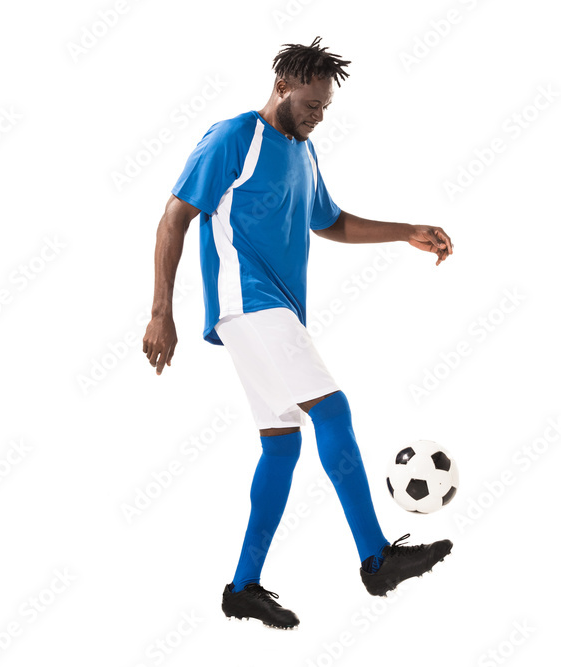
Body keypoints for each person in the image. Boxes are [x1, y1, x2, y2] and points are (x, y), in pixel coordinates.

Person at [142, 36, 455, 630]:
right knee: (332, 412)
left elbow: (330, 221)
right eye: (311, 104)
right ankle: (375, 558)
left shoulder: (302, 151)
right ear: (283, 87)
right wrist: (162, 309)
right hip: (249, 303)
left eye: (326, 108)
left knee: (282, 445)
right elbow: (173, 218)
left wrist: (407, 229)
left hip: (271, 313)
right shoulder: (235, 136)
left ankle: (242, 588)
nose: (318, 116)